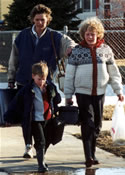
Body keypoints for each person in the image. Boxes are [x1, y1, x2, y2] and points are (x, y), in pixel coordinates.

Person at [8, 4, 76, 158]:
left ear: (48, 20)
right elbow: (14, 59)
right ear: (33, 19)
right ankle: (28, 145)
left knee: (44, 116)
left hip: (45, 83)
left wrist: (70, 48)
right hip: (25, 82)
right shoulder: (23, 36)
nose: (40, 23)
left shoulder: (55, 36)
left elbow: (69, 43)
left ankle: (41, 145)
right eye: (37, 19)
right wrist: (11, 78)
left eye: (43, 20)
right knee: (27, 116)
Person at [64, 17, 124, 168]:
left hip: (100, 92)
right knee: (87, 122)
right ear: (83, 35)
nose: (90, 37)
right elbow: (69, 74)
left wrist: (118, 91)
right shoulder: (77, 51)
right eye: (87, 34)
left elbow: (114, 73)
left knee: (97, 124)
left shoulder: (106, 50)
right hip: (82, 93)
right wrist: (68, 95)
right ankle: (88, 156)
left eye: (93, 34)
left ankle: (93, 152)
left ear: (99, 34)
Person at [4, 61, 61, 172]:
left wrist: (51, 92)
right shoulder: (28, 90)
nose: (41, 82)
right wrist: (8, 117)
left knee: (48, 139)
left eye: (43, 79)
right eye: (39, 79)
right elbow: (15, 104)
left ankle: (41, 156)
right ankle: (41, 164)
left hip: (48, 119)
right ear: (33, 76)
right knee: (41, 141)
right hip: (35, 120)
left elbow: (57, 99)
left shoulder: (50, 87)